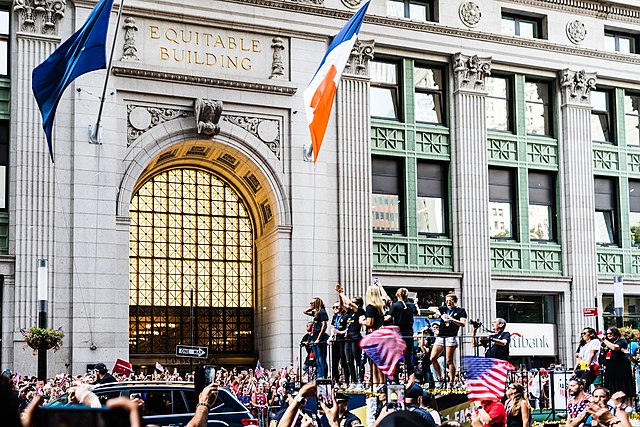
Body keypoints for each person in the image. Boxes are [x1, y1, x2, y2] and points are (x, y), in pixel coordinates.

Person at [427, 291, 467, 386]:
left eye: (450, 301)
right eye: (446, 301)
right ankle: (439, 375)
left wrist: (451, 319)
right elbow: (430, 308)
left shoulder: (460, 311)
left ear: (455, 301)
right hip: (441, 336)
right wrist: (437, 312)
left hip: (451, 336)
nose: (448, 303)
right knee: (432, 358)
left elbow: (463, 324)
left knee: (449, 360)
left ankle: (452, 380)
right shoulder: (444, 309)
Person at [336, 284, 365, 388]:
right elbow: (341, 305)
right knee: (348, 360)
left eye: (354, 302)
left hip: (356, 337)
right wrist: (339, 295)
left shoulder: (360, 311)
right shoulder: (349, 312)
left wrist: (342, 293)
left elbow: (347, 302)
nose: (350, 304)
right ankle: (353, 381)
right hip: (347, 338)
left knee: (357, 360)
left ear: (358, 304)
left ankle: (360, 381)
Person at [386, 288, 418, 378]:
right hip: (409, 334)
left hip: (398, 335)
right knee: (408, 358)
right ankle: (411, 378)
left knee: (396, 357)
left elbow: (388, 317)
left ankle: (395, 379)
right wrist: (415, 303)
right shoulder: (411, 305)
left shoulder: (395, 305)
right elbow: (418, 313)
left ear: (397, 295)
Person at [598, 327, 636, 398]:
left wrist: (604, 339)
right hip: (610, 367)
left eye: (610, 333)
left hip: (621, 367)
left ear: (615, 333)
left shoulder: (622, 341)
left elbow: (614, 347)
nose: (608, 335)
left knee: (624, 387)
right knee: (611, 387)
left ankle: (628, 405)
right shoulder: (606, 342)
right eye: (607, 333)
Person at [360, 284, 386, 386]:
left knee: (374, 361)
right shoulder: (380, 307)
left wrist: (362, 321)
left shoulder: (370, 307)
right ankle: (380, 382)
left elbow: (370, 322)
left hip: (373, 335)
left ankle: (377, 383)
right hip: (380, 335)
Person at [304, 297, 329, 379]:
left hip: (320, 338)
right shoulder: (316, 312)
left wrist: (319, 338)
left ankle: (322, 376)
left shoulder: (322, 312)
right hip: (314, 337)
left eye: (312, 303)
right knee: (317, 359)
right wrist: (311, 307)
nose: (310, 305)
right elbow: (305, 311)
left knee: (321, 359)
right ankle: (320, 375)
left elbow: (324, 325)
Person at [330, 302, 347, 382]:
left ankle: (346, 379)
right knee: (334, 362)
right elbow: (333, 328)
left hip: (342, 340)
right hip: (335, 341)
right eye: (333, 307)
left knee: (344, 361)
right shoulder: (335, 317)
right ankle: (336, 380)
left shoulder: (345, 316)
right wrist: (331, 336)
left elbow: (348, 329)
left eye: (337, 307)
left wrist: (339, 332)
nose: (335, 309)